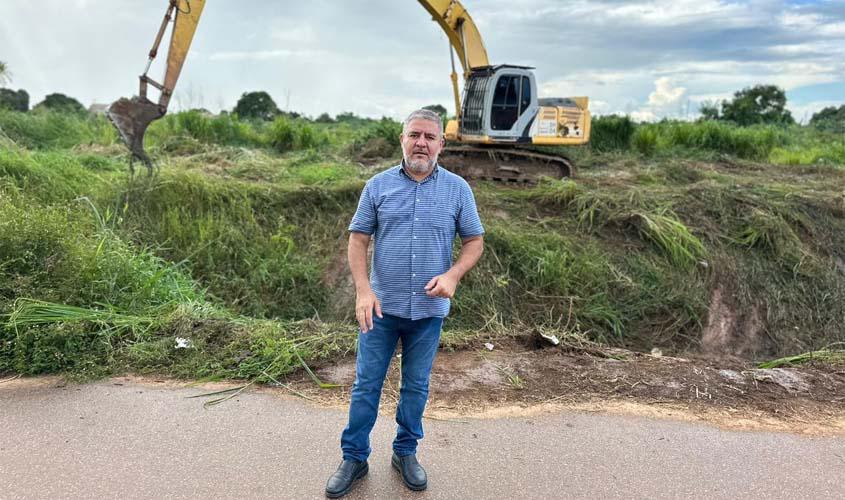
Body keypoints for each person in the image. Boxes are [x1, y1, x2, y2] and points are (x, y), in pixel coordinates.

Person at [325, 109, 484, 498]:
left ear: (441, 145)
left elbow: (474, 242)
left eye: (430, 137)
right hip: (380, 309)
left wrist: (452, 276)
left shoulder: (458, 190)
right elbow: (358, 239)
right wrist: (364, 290)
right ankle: (354, 457)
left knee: (416, 386)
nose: (421, 143)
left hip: (428, 313)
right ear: (402, 139)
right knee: (366, 385)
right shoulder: (377, 186)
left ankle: (405, 452)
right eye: (415, 135)